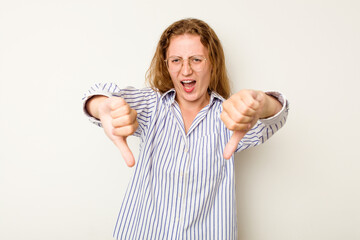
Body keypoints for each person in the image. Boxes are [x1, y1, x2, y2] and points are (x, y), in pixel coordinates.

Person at [82, 18, 289, 240]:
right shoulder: (152, 105)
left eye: (196, 59)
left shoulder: (231, 115)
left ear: (212, 63)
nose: (186, 70)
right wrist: (102, 106)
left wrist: (263, 104)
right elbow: (100, 95)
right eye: (176, 60)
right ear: (166, 64)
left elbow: (275, 117)